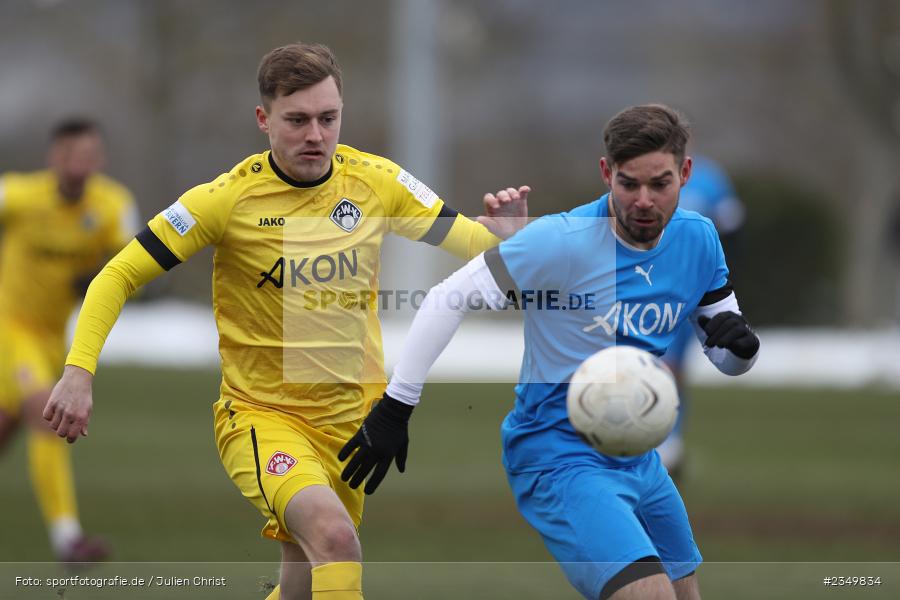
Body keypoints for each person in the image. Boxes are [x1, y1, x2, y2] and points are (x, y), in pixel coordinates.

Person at [42, 42, 527, 600]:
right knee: (336, 541)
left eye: (328, 118)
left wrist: (508, 238)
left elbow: (470, 240)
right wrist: (79, 371)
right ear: (263, 119)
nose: (315, 135)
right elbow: (116, 274)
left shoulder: (376, 182)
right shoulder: (225, 200)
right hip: (262, 417)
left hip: (351, 425)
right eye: (296, 120)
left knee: (299, 584)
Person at [339, 104, 760, 599]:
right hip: (559, 457)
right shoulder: (561, 239)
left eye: (660, 184)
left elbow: (727, 357)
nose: (644, 200)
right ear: (607, 173)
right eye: (628, 184)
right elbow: (447, 297)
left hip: (638, 456)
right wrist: (397, 405)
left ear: (685, 173)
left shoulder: (700, 239)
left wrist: (743, 349)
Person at [0, 118, 138, 562]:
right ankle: (67, 539)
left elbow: (132, 262)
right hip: (9, 329)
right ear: (54, 157)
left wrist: (98, 277)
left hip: (52, 337)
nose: (81, 164)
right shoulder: (18, 196)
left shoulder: (113, 204)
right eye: (72, 155)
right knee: (45, 412)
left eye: (89, 156)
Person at [656, 155, 745, 473]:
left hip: (691, 289)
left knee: (673, 367)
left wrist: (718, 278)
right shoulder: (645, 179)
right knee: (653, 364)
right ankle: (650, 441)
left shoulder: (711, 179)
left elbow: (733, 225)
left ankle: (669, 442)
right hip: (650, 283)